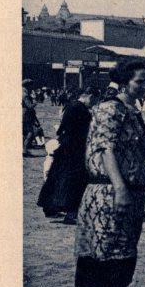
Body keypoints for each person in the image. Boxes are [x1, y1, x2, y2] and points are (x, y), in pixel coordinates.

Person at [74, 60, 145, 287]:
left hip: (126, 191)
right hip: (110, 193)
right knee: (118, 253)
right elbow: (106, 149)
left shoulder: (130, 110)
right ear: (123, 82)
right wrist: (120, 188)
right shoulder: (111, 108)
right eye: (140, 81)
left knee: (114, 251)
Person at [37, 87, 97, 223]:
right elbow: (85, 130)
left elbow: (61, 128)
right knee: (75, 181)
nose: (93, 104)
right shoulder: (80, 109)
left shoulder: (71, 106)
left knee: (57, 176)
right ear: (90, 95)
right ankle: (71, 212)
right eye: (94, 100)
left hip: (65, 146)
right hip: (76, 149)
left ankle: (50, 207)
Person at [22, 80, 45, 155]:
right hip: (26, 115)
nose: (32, 87)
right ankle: (24, 150)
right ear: (28, 86)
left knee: (24, 132)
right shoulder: (25, 94)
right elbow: (29, 106)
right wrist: (35, 100)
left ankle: (26, 147)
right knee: (30, 132)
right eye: (31, 86)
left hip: (23, 114)